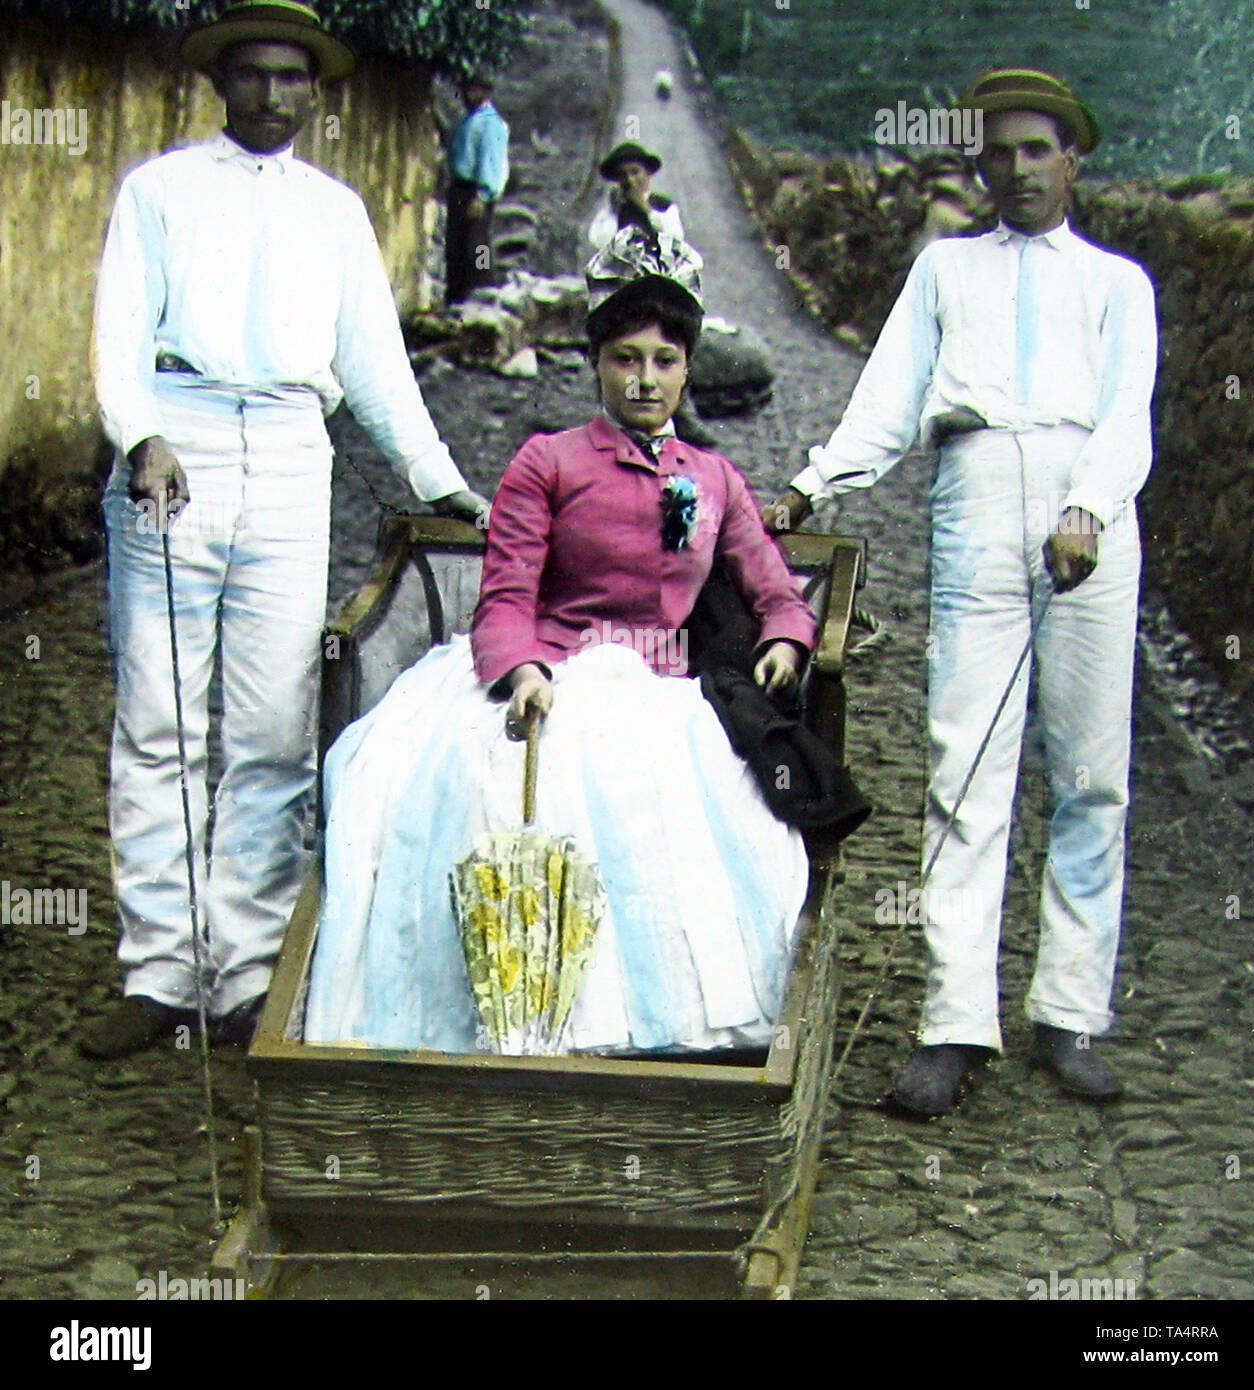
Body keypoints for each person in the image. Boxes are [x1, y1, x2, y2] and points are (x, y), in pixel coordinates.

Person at [81, 1, 488, 1060]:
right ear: (222, 82)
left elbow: (374, 365)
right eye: (253, 75)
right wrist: (141, 436)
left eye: (291, 79)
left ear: (316, 91)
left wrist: (439, 482)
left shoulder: (335, 212)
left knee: (271, 725)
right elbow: (119, 333)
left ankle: (244, 972)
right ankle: (158, 972)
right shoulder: (158, 192)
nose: (272, 95)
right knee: (164, 716)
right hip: (180, 450)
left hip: (293, 456)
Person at [304, 234, 818, 1055]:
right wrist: (523, 671)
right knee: (483, 785)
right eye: (623, 359)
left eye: (663, 361)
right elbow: (506, 593)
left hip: (659, 683)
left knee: (703, 803)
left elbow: (771, 584)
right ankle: (510, 1023)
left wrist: (788, 637)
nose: (644, 380)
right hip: (558, 668)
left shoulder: (713, 476)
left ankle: (668, 1031)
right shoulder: (549, 461)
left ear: (688, 372)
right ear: (596, 364)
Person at [765, 69, 1158, 1114]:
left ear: (1073, 160)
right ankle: (951, 1023)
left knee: (1087, 774)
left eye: (1039, 150)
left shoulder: (1119, 285)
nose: (1018, 169)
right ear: (979, 163)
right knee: (963, 761)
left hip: (1092, 517)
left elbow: (1127, 417)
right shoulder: (943, 271)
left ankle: (1068, 1011)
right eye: (1000, 151)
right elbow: (887, 400)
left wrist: (1086, 506)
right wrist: (810, 481)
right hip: (975, 497)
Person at [445, 73, 510, 306]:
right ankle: (457, 298)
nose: (467, 96)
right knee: (457, 246)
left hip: (475, 191)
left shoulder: (490, 123)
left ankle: (483, 289)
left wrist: (482, 195)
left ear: (485, 92)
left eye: (473, 90)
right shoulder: (470, 121)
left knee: (477, 243)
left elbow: (490, 161)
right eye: (465, 90)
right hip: (459, 189)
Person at [587, 141, 685, 250]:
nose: (630, 179)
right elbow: (599, 243)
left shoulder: (664, 206)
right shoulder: (609, 212)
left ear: (647, 173)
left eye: (635, 172)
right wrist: (615, 212)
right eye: (623, 175)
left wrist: (646, 208)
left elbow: (675, 239)